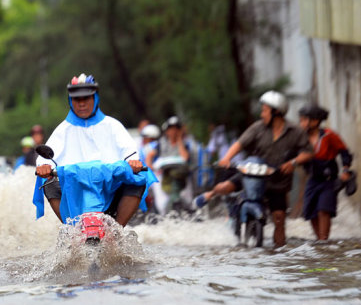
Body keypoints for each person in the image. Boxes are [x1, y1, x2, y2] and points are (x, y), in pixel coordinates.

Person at [193, 91, 313, 247]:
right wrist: (227, 158)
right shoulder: (257, 128)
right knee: (225, 186)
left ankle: (280, 252)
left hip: (277, 180)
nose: (262, 114)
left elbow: (309, 152)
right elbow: (239, 144)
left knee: (279, 218)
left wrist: (294, 162)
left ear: (276, 112)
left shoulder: (295, 132)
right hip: (253, 174)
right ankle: (211, 193)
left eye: (264, 110)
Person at [34, 73, 147, 226]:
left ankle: (117, 231)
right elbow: (45, 158)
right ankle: (72, 230)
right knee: (48, 182)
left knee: (139, 179)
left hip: (109, 187)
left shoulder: (112, 125)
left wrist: (133, 162)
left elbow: (130, 150)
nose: (81, 104)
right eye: (77, 99)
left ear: (95, 99)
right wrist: (43, 167)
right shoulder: (63, 129)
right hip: (75, 188)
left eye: (86, 99)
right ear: (70, 101)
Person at [298, 104, 354, 240]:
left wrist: (345, 170)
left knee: (324, 209)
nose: (302, 123)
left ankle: (324, 241)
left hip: (328, 180)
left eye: (305, 120)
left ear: (315, 121)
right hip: (312, 179)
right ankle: (320, 240)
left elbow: (345, 152)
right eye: (301, 120)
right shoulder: (300, 138)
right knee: (310, 213)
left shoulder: (329, 135)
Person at [145, 116, 191, 212]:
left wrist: (179, 139)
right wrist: (151, 166)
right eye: (171, 128)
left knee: (184, 197)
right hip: (164, 175)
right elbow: (149, 156)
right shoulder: (161, 143)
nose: (173, 131)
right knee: (162, 201)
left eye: (176, 128)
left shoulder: (185, 143)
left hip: (180, 175)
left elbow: (185, 158)